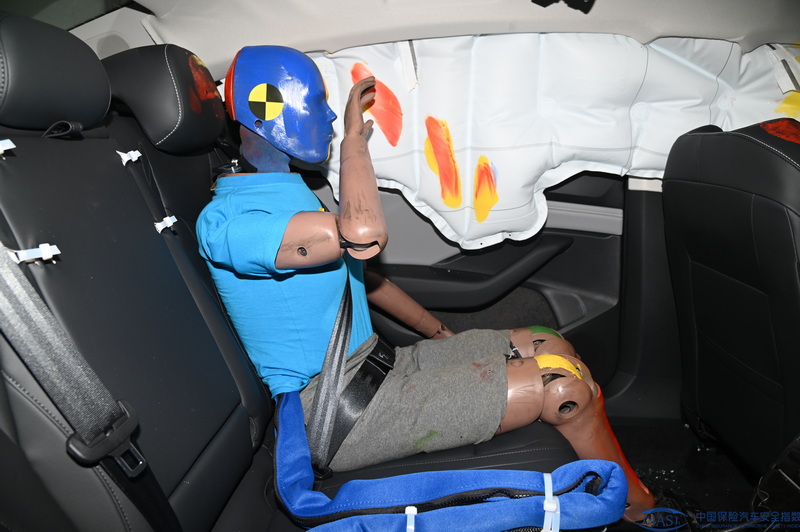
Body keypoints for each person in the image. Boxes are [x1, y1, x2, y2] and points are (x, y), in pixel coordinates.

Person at [197, 45, 655, 521]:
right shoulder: (227, 222)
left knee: (547, 342)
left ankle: (625, 496)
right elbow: (362, 236)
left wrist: (439, 334)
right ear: (267, 108)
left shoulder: (289, 196)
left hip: (376, 365)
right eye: (315, 102)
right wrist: (354, 143)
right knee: (560, 388)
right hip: (336, 410)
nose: (329, 115)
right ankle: (639, 512)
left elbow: (362, 278)